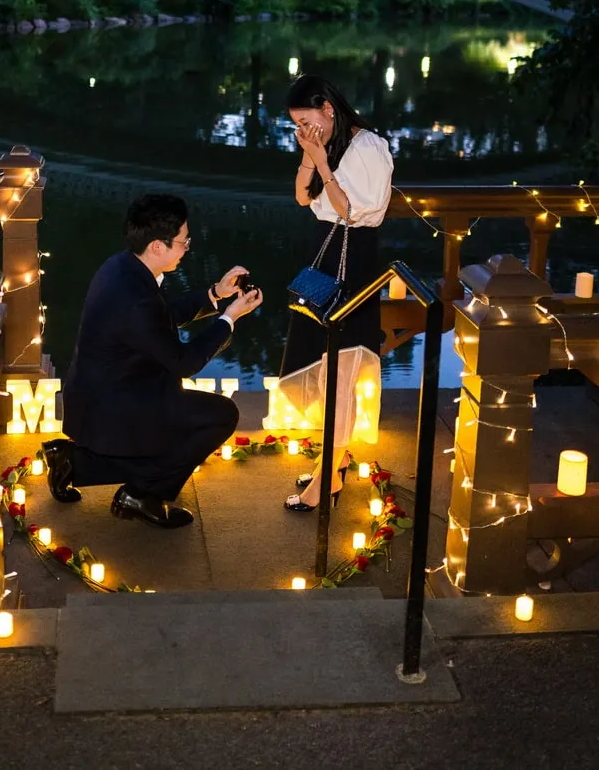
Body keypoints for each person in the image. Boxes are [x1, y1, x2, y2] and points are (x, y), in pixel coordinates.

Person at [44, 195, 263, 528]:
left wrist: (216, 294)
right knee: (220, 416)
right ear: (158, 246)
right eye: (183, 242)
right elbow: (184, 362)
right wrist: (231, 317)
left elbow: (163, 317)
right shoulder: (137, 298)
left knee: (175, 436)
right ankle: (142, 494)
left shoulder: (122, 266)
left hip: (106, 393)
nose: (187, 247)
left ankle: (74, 463)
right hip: (116, 405)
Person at [279, 75, 394, 512]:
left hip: (354, 259)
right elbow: (302, 200)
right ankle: (335, 459)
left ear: (328, 108)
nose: (308, 130)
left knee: (342, 369)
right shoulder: (328, 144)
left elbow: (352, 212)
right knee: (327, 366)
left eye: (310, 121)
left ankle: (327, 478)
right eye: (298, 125)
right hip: (326, 252)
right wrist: (311, 158)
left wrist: (323, 162)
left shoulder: (368, 148)